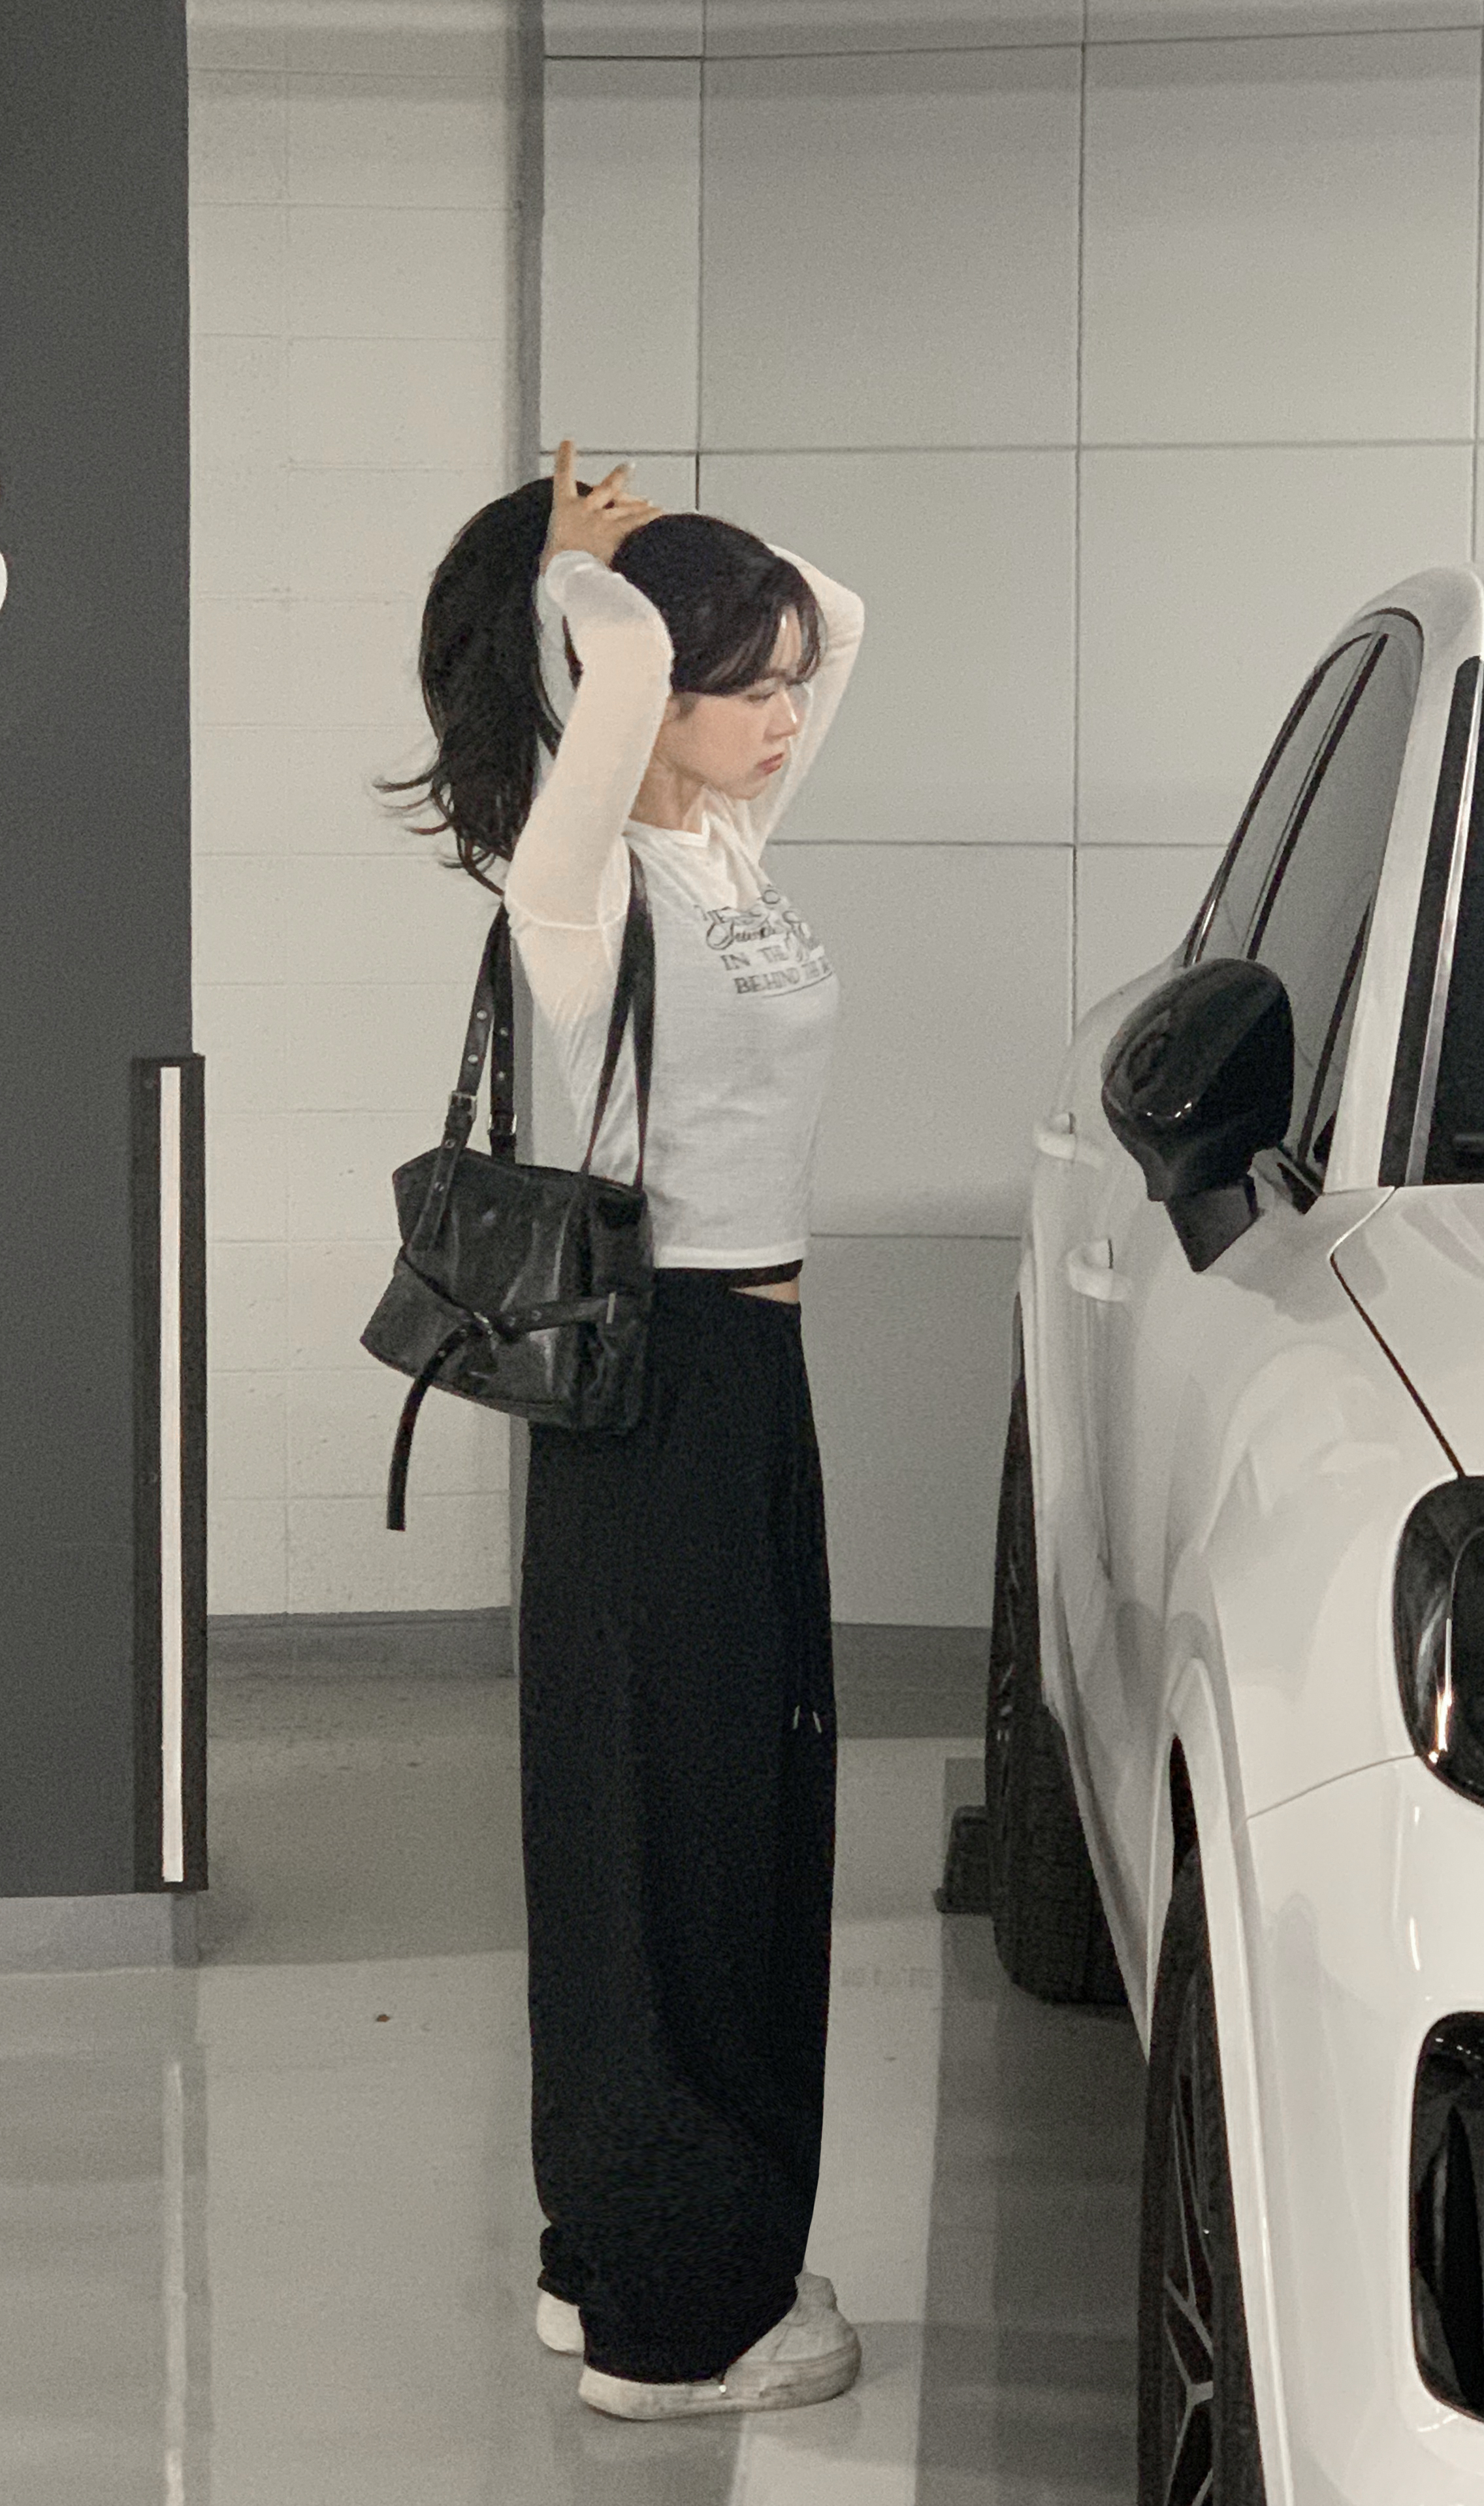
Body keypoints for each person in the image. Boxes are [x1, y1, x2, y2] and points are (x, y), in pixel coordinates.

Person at [373, 440, 866, 2420]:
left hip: (748, 1390)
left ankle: (620, 2258)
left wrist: (670, 553)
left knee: (724, 1819)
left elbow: (849, 617)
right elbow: (633, 672)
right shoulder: (577, 882)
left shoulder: (725, 847)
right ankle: (677, 2322)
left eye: (785, 685)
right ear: (634, 693)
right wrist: (584, 575)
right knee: (670, 1840)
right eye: (753, 684)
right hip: (659, 1386)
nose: (787, 713)